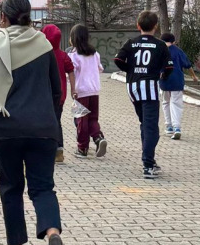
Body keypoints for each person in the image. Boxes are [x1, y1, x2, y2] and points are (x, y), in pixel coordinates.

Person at [0, 0, 65, 245]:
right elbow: (56, 89)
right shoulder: (43, 45)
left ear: (3, 17)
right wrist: (49, 118)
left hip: (7, 129)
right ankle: (52, 232)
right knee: (43, 188)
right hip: (43, 128)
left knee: (11, 188)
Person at [114, 11, 172, 179]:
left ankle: (150, 160)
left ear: (138, 26)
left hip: (133, 88)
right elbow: (169, 67)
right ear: (156, 26)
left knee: (144, 124)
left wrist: (130, 71)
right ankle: (148, 164)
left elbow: (118, 60)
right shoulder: (160, 45)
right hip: (150, 89)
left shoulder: (131, 43)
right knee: (151, 127)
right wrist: (162, 76)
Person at [68, 24, 106, 159]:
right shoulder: (95, 54)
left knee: (81, 120)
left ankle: (82, 148)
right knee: (93, 118)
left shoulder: (74, 56)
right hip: (94, 90)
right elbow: (100, 69)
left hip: (80, 91)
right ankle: (98, 137)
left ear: (73, 38)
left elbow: (70, 72)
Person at [42, 25, 76, 164]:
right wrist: (74, 89)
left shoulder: (42, 55)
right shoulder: (63, 55)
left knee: (44, 122)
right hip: (60, 95)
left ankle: (46, 149)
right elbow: (71, 71)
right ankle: (59, 150)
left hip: (44, 94)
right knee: (57, 121)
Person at [160, 33, 197, 140]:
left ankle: (169, 126)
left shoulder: (160, 51)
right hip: (177, 81)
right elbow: (188, 65)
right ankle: (177, 128)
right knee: (176, 104)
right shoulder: (178, 51)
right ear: (173, 41)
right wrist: (194, 76)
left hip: (164, 80)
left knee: (166, 102)